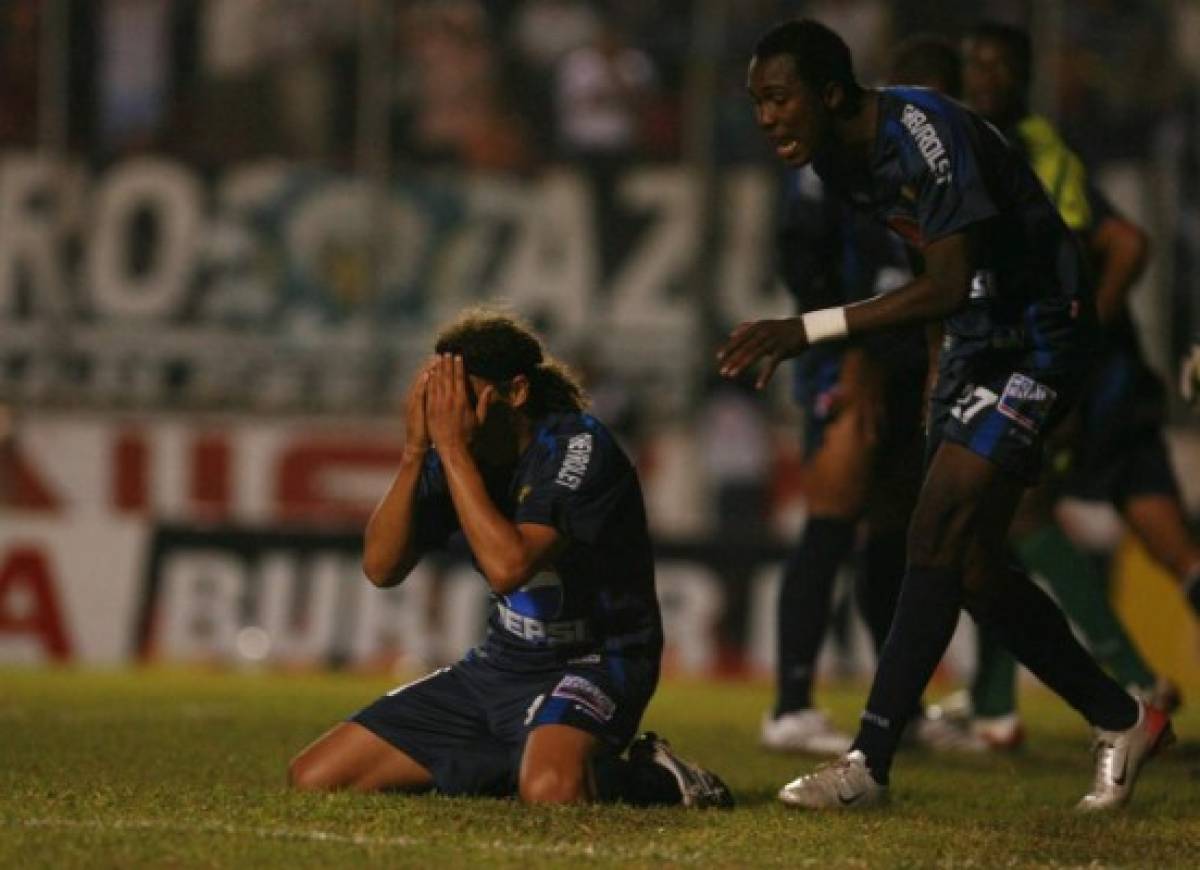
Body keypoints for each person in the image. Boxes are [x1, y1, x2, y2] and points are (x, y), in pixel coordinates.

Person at [721, 19, 1173, 811]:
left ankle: (868, 762)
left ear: (829, 92)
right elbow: (937, 278)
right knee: (969, 567)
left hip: (1037, 333)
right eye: (757, 101)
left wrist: (808, 330)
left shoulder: (925, 132)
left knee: (936, 530)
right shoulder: (835, 156)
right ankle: (1121, 716)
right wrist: (940, 371)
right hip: (973, 339)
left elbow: (947, 280)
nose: (766, 118)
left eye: (779, 98)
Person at [289, 308, 732, 808]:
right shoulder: (457, 453)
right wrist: (415, 452)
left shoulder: (576, 448)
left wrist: (451, 451)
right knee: (317, 776)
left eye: (463, 395)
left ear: (515, 392)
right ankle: (516, 762)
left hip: (597, 660)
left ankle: (660, 780)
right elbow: (381, 568)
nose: (449, 412)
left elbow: (509, 567)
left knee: (550, 791)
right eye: (440, 396)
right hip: (503, 663)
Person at [949, 22, 1197, 744]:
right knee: (1007, 520)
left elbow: (1114, 243)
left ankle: (1131, 678)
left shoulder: (1035, 148)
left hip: (1073, 371)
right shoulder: (982, 144)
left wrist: (1077, 336)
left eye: (998, 65)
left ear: (1023, 78)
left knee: (1013, 516)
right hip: (1067, 366)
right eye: (977, 63)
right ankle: (993, 708)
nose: (984, 75)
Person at [762, 36, 962, 756]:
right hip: (846, 355)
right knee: (833, 511)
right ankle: (789, 703)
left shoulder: (929, 161)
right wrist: (850, 359)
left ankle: (899, 706)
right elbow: (804, 264)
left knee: (891, 528)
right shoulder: (832, 160)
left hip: (906, 350)